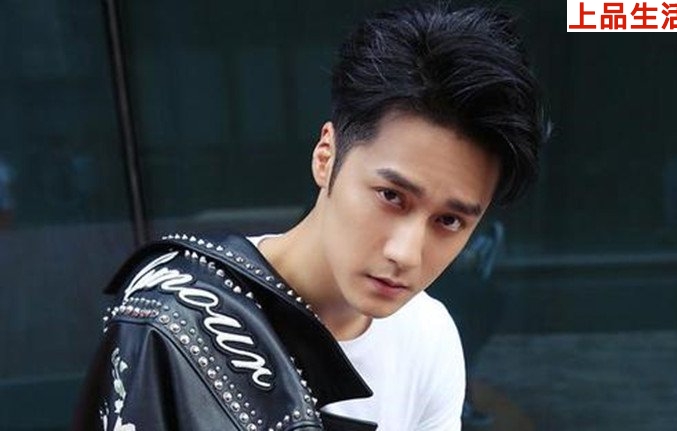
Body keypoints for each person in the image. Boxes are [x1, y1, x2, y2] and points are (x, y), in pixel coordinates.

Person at [74, 3, 546, 430]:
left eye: (449, 221)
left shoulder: (429, 334)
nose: (405, 253)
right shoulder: (174, 320)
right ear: (326, 156)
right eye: (391, 196)